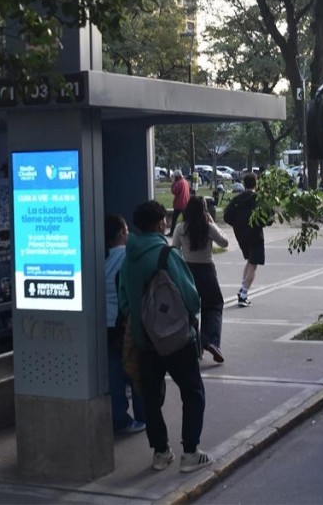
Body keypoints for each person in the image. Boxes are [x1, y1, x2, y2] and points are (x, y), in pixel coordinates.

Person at [118, 200, 212, 473]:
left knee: (150, 397)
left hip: (144, 340)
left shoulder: (129, 258)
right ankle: (191, 452)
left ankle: (161, 452)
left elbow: (125, 301)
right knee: (192, 392)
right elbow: (192, 298)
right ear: (161, 223)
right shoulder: (167, 255)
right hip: (176, 340)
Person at [171, 196, 229, 364]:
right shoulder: (208, 227)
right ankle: (211, 340)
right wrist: (214, 223)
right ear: (203, 210)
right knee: (214, 305)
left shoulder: (181, 228)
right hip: (207, 270)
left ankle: (194, 348)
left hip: (187, 270)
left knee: (190, 308)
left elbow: (174, 250)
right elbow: (224, 243)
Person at [104, 214, 146, 434]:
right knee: (136, 369)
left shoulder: (100, 259)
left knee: (114, 374)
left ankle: (120, 418)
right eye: (126, 230)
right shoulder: (128, 258)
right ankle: (143, 416)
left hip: (106, 325)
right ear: (121, 234)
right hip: (125, 323)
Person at [223, 172, 265, 307]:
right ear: (256, 183)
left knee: (249, 261)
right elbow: (266, 218)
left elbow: (227, 216)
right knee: (253, 264)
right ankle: (244, 294)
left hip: (241, 235)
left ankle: (242, 287)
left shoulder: (237, 199)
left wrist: (237, 224)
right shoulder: (258, 199)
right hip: (255, 235)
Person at [167, 171, 189, 237]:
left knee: (174, 219)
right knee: (186, 219)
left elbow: (174, 191)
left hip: (179, 204)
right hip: (186, 203)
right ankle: (187, 232)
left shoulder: (179, 183)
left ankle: (172, 232)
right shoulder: (185, 182)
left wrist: (173, 184)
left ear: (177, 177)